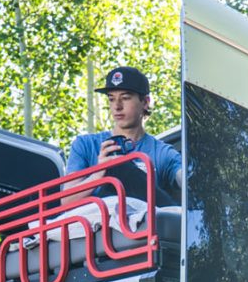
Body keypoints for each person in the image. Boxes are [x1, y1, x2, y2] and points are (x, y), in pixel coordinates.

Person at [66, 65, 183, 204]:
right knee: (116, 167)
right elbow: (66, 200)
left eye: (125, 98)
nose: (117, 106)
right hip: (102, 216)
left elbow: (189, 182)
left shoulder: (162, 152)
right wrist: (99, 173)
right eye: (111, 99)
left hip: (145, 216)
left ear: (145, 102)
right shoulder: (85, 144)